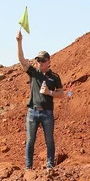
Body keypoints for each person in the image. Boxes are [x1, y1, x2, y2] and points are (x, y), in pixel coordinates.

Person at [16, 30, 64, 170]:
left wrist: (49, 92)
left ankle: (50, 167)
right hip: (32, 112)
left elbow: (61, 93)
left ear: (49, 61)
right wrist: (19, 42)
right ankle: (28, 168)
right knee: (30, 141)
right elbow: (21, 59)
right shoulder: (33, 72)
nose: (40, 62)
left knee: (49, 140)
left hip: (47, 113)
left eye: (43, 60)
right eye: (38, 60)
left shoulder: (54, 77)